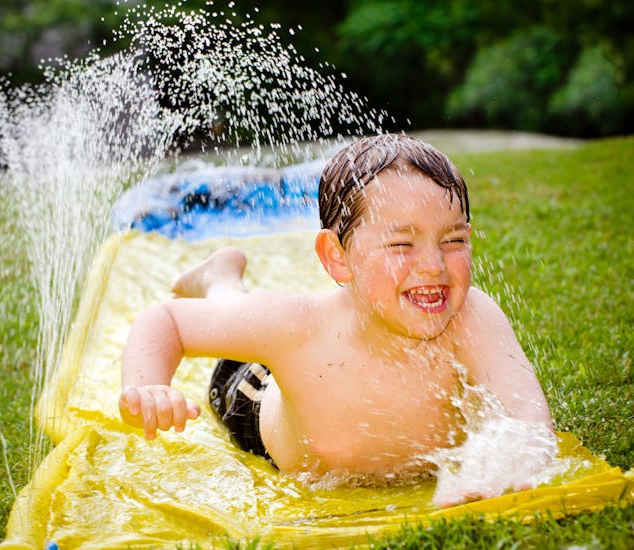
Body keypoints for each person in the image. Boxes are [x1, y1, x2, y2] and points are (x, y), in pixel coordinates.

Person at [119, 133, 553, 489]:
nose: (434, 265)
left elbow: (531, 420)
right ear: (337, 256)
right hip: (254, 391)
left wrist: (501, 471)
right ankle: (218, 280)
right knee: (241, 314)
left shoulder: (472, 318)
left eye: (454, 240)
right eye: (402, 243)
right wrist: (148, 386)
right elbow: (166, 321)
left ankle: (222, 281)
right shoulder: (298, 326)